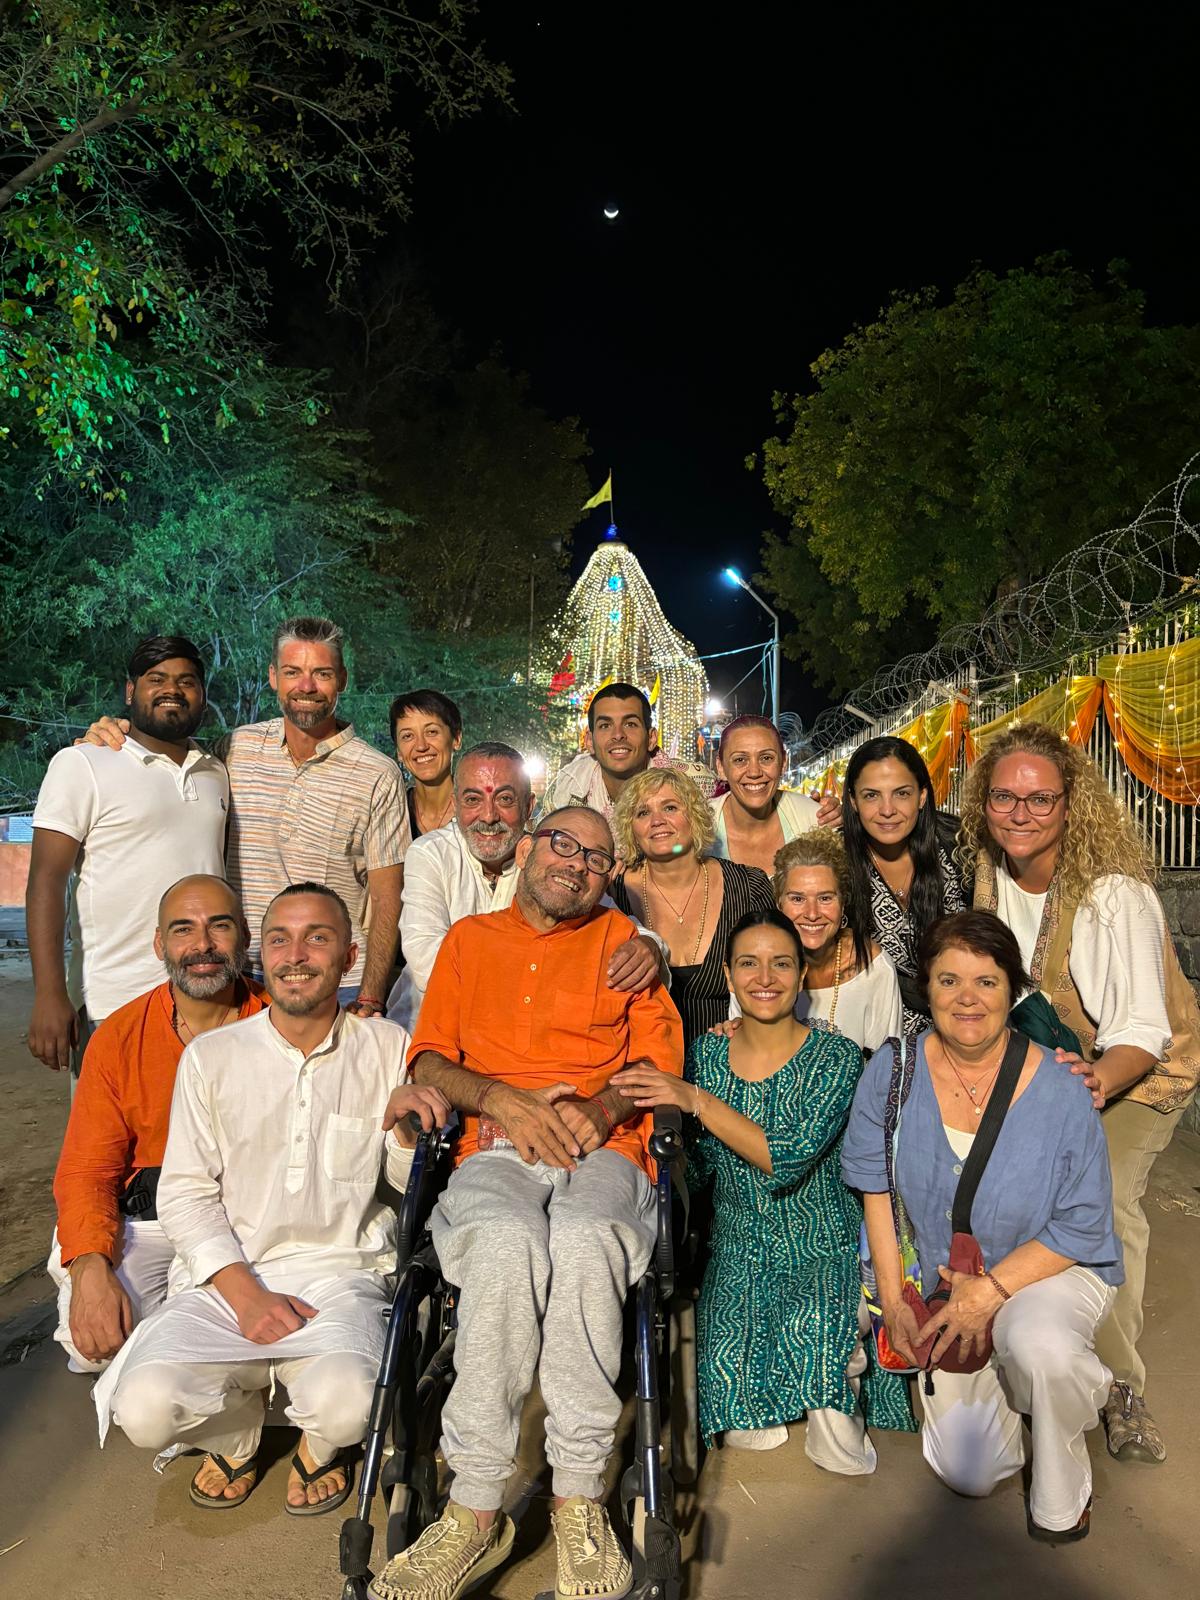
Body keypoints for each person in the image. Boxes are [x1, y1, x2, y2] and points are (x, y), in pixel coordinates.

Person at [368, 807, 683, 1600]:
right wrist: (502, 1102)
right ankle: (476, 1506)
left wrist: (606, 1109)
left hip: (604, 1147)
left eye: (597, 859)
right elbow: (431, 1058)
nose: (576, 865)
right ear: (530, 845)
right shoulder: (470, 944)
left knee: (585, 1237)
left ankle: (579, 1493)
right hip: (494, 1146)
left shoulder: (624, 949)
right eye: (563, 845)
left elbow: (661, 1059)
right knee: (507, 1241)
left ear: (610, 878)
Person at [92, 882, 448, 1514]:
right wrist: (246, 1296)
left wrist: (400, 1131)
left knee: (351, 1406)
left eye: (318, 938)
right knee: (143, 1410)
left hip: (342, 1275)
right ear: (261, 953)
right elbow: (184, 1195)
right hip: (226, 1277)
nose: (296, 955)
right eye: (280, 939)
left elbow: (402, 1186)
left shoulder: (389, 1047)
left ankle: (316, 1443)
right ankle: (237, 1433)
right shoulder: (213, 1056)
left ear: (350, 956)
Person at [960, 719, 1200, 1465]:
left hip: (1137, 1072)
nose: (1021, 815)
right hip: (1056, 1072)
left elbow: (1141, 1029)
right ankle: (1040, 1350)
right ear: (985, 803)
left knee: (1103, 1201)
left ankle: (1122, 1385)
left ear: (1071, 805)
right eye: (1005, 798)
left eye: (1040, 800)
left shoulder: (1112, 896)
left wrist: (1095, 1083)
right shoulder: (989, 876)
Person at [842, 911, 1123, 1541]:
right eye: (949, 981)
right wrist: (893, 1301)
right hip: (945, 1280)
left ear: (1012, 988)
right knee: (972, 1471)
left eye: (987, 982)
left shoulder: (1061, 1085)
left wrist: (992, 1294)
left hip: (1047, 1270)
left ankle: (1063, 1477)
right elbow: (876, 1192)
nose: (968, 998)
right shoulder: (893, 1072)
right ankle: (1021, 1381)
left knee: (1042, 1348)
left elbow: (1084, 1225)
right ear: (927, 990)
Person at [614, 910, 913, 1463]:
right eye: (748, 964)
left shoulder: (837, 1057)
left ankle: (832, 1386)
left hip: (819, 1243)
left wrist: (696, 1101)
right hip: (738, 1248)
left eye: (781, 964)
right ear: (728, 977)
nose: (765, 977)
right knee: (738, 1412)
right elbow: (699, 1170)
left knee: (821, 1358)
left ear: (802, 976)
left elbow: (788, 1155)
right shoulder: (703, 1057)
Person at [80, 615, 411, 1019]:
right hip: (242, 980)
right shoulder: (237, 748)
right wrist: (114, 732)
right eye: (293, 672)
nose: (306, 686)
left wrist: (372, 996)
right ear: (274, 676)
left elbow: (387, 897)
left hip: (335, 984)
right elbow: (169, 757)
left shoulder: (377, 774)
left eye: (321, 673)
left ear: (341, 679)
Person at [48, 875, 266, 1372]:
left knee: (213, 1348)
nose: (203, 946)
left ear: (246, 938)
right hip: (145, 1218)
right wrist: (90, 1264)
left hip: (247, 1220)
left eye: (220, 926)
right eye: (183, 929)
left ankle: (228, 1426)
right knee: (96, 1345)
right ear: (159, 943)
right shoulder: (120, 1037)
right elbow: (87, 1169)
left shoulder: (279, 1020)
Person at [26, 636, 229, 1075]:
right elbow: (46, 879)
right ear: (130, 691)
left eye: (187, 681)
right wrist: (49, 993)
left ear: (203, 696)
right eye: (156, 679)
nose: (172, 689)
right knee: (112, 1143)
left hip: (208, 997)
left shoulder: (215, 772)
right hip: (115, 1000)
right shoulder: (83, 763)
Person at [387, 741, 663, 1031]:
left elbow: (621, 926)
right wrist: (539, 975)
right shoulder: (430, 853)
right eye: (472, 800)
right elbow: (428, 964)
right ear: (455, 805)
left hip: (525, 1039)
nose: (489, 816)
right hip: (430, 1028)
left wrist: (648, 945)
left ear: (529, 807)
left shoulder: (547, 857)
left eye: (505, 800)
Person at [609, 767, 776, 1047]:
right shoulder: (613, 892)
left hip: (731, 1067)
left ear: (695, 817)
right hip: (643, 1069)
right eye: (642, 813)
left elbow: (777, 976)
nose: (657, 821)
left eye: (670, 807)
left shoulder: (749, 886)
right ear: (631, 829)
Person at [842, 736, 966, 1032]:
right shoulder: (834, 863)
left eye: (901, 793)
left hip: (962, 1024)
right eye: (872, 795)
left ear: (922, 796)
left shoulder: (960, 849)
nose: (887, 810)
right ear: (853, 800)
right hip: (871, 1032)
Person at [773, 833, 902, 1053]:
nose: (812, 914)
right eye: (797, 899)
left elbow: (888, 1068)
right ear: (779, 903)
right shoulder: (756, 964)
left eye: (825, 898)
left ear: (843, 904)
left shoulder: (873, 967)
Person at [540, 680, 713, 821]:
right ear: (590, 742)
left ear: (651, 738)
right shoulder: (567, 789)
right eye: (605, 725)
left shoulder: (694, 785)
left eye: (630, 724)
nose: (618, 735)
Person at [709, 714, 821, 873]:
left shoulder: (813, 819)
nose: (754, 772)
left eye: (766, 758)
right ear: (721, 767)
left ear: (783, 763)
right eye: (740, 760)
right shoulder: (699, 825)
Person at [391, 688, 463, 840]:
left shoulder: (479, 810)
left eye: (431, 732)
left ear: (456, 739)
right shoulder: (391, 814)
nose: (421, 746)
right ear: (398, 752)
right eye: (408, 736)